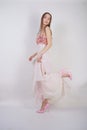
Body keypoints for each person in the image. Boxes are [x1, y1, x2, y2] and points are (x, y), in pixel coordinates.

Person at [28, 12, 72, 113]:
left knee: (45, 79)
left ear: (50, 21)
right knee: (41, 81)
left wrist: (40, 55)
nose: (47, 20)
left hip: (44, 56)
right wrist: (34, 55)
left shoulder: (47, 29)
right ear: (42, 18)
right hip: (39, 56)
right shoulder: (39, 31)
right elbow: (40, 47)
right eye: (45, 17)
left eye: (49, 19)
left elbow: (49, 45)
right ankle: (44, 103)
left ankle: (62, 74)